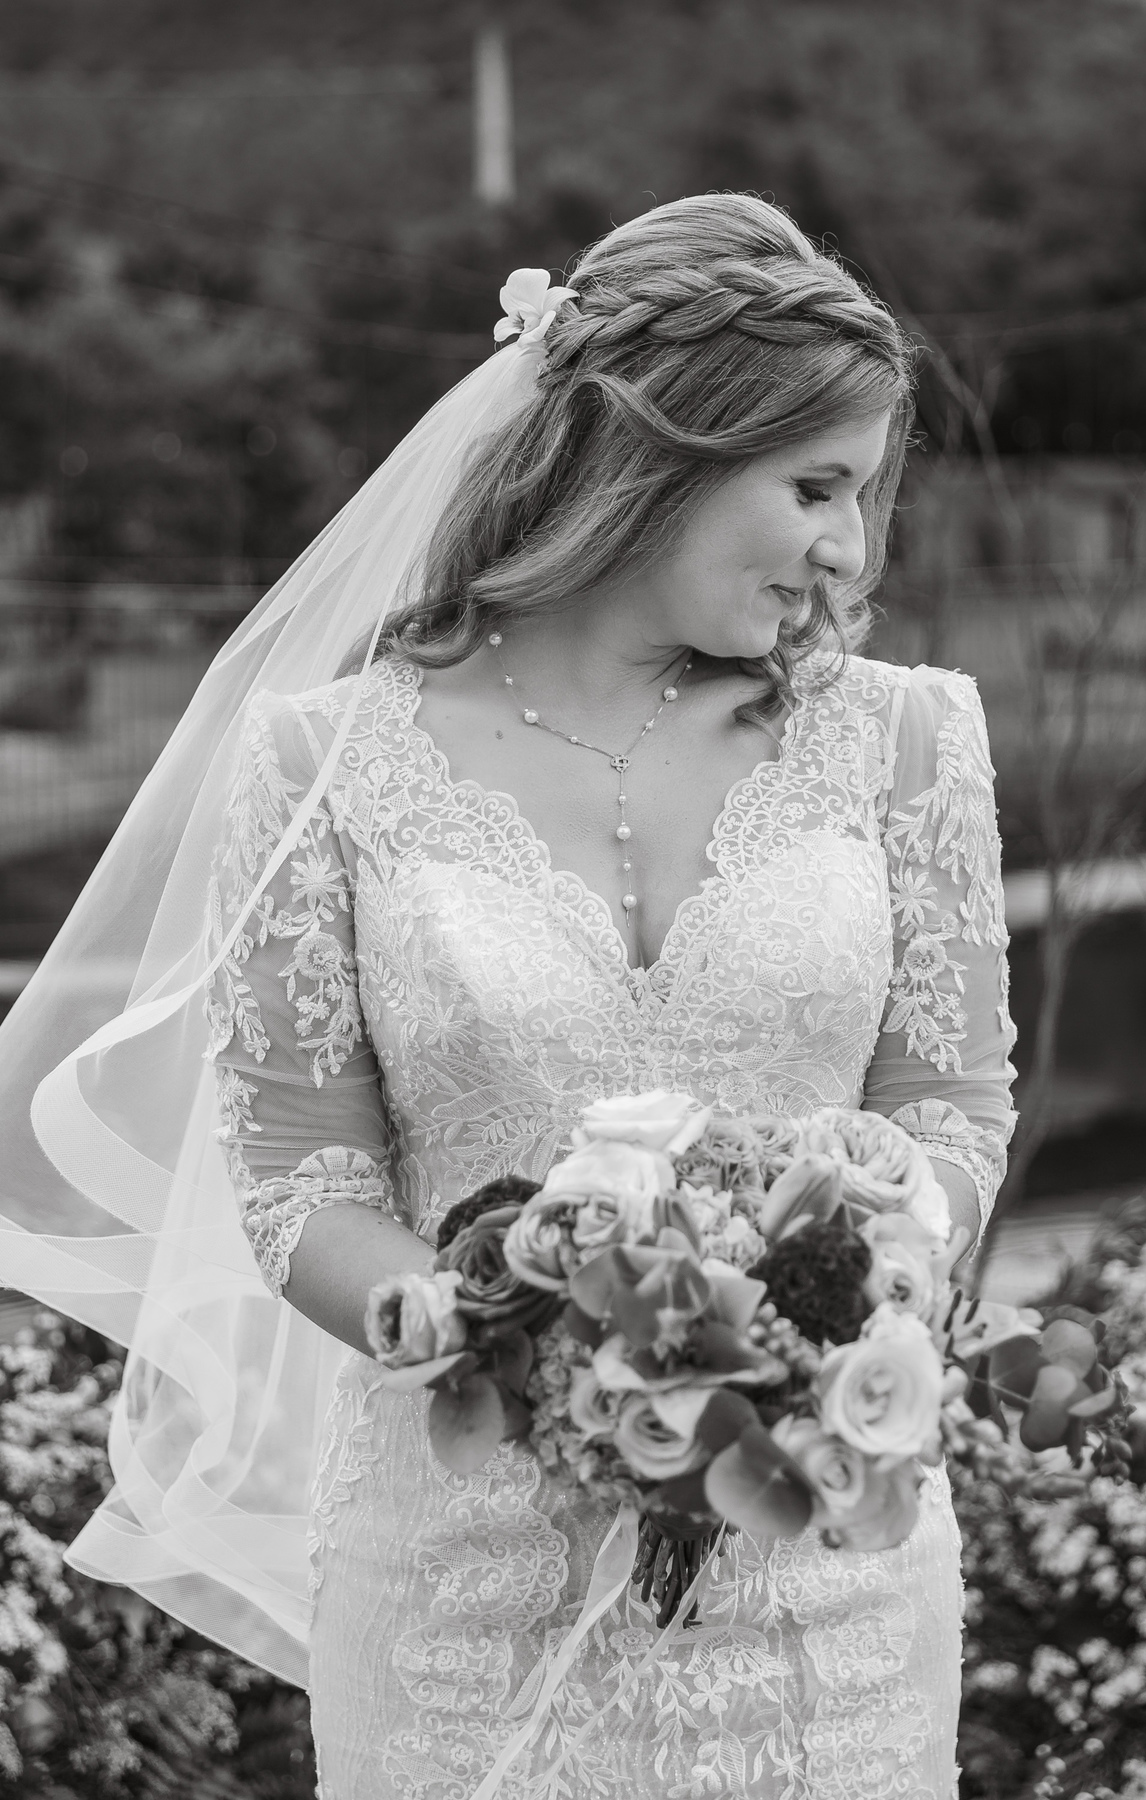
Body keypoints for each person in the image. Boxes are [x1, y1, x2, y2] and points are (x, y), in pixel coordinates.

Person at [0, 193, 1015, 1798]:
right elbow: (300, 1171)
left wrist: (852, 1268)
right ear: (658, 451)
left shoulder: (908, 740)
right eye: (816, 486)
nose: (851, 549)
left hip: (828, 1575)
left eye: (867, 494)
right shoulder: (320, 763)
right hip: (458, 1586)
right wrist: (502, 1331)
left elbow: (949, 1103)